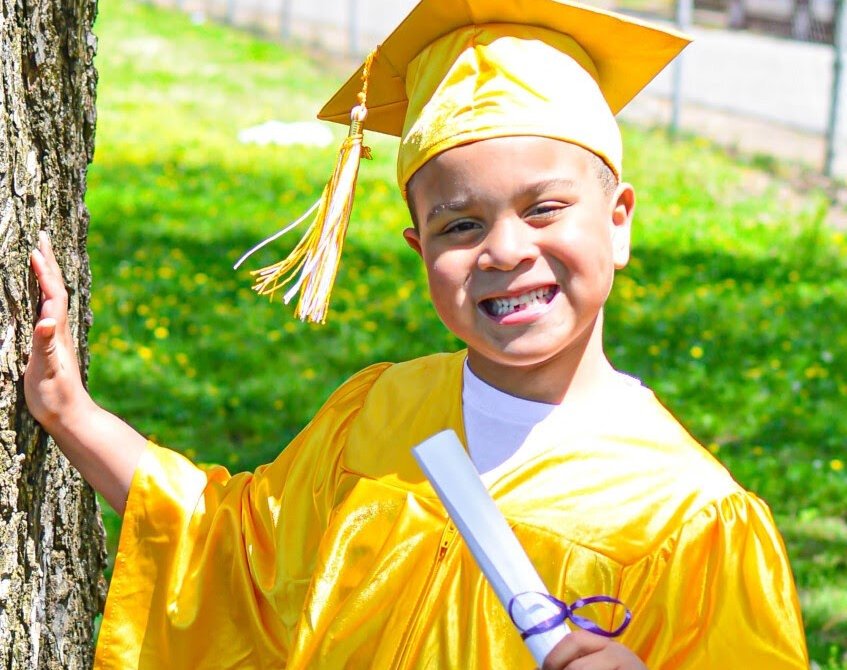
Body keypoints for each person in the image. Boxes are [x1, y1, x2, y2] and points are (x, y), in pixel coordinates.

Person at [25, 0, 809, 668]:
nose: (503, 250)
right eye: (460, 223)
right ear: (418, 249)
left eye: (543, 208)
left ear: (618, 221)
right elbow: (228, 551)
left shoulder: (690, 520)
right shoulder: (374, 416)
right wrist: (69, 412)